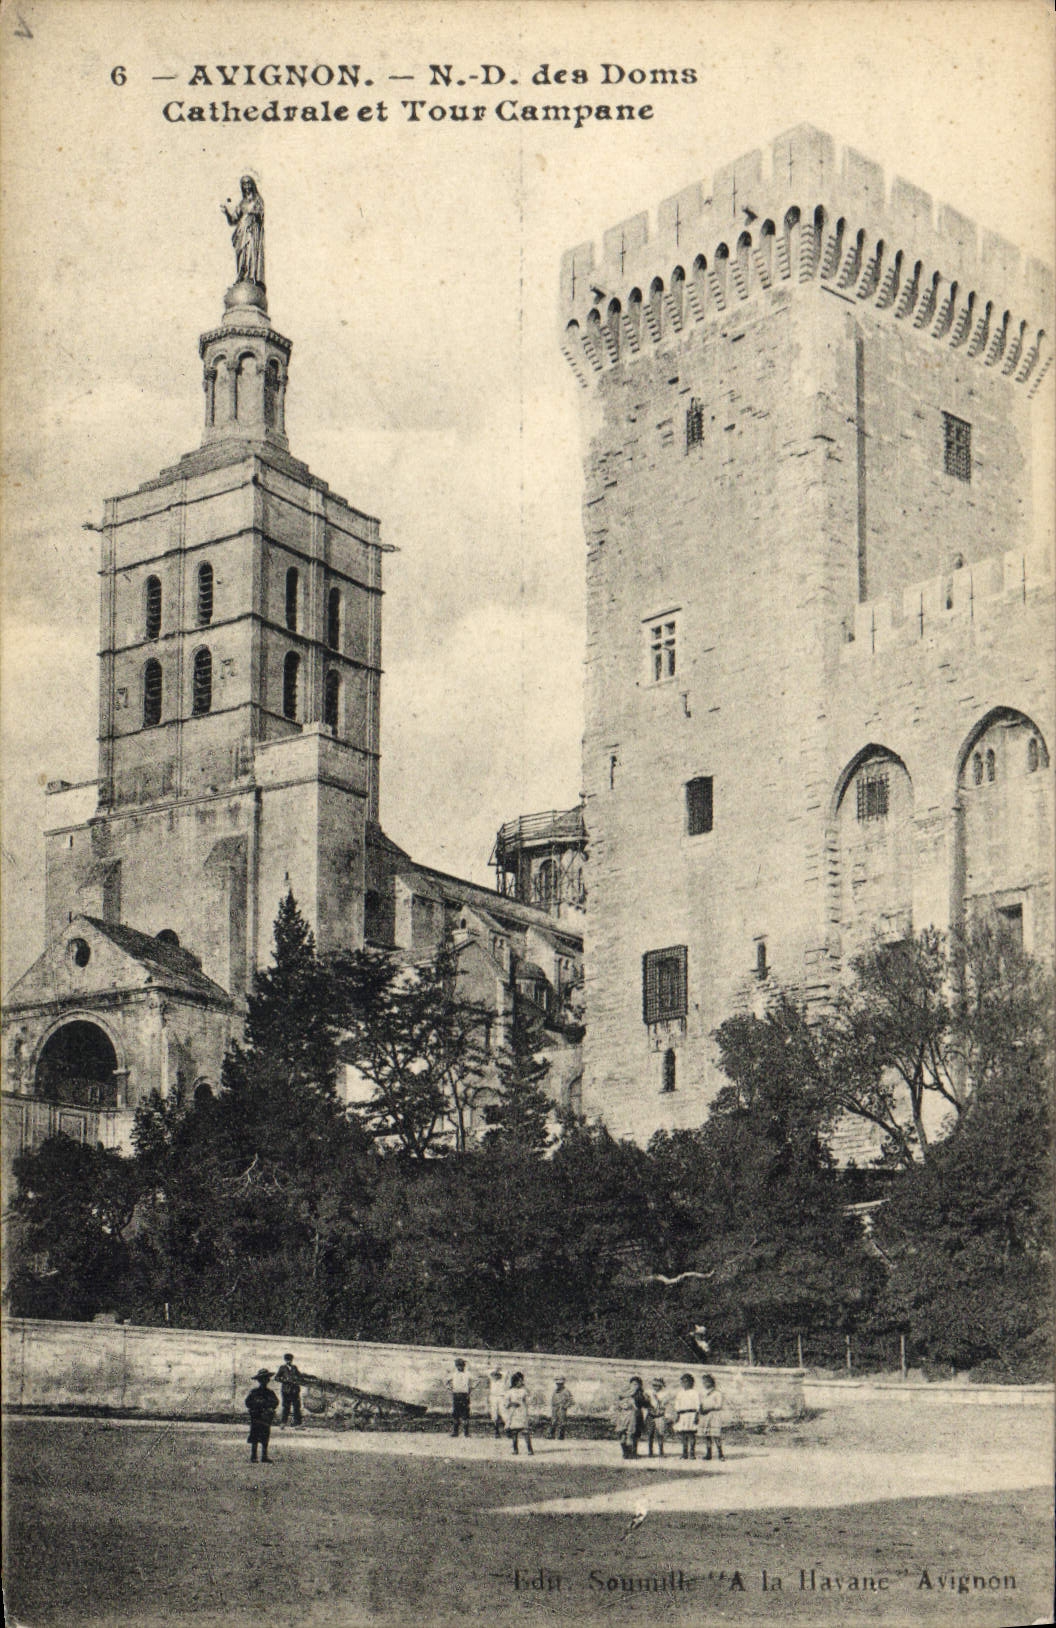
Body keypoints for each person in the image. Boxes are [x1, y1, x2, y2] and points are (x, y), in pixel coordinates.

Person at [222, 175, 265, 285]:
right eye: (244, 184)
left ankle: (250, 276)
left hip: (252, 231)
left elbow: (260, 216)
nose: (246, 186)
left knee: (250, 252)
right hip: (241, 231)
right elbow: (233, 220)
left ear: (252, 185)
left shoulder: (257, 200)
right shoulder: (242, 203)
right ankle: (241, 276)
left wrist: (253, 217)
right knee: (241, 254)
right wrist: (227, 212)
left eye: (248, 183)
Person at [245, 1368, 279, 1463]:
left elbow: (276, 1402)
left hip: (266, 1417)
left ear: (268, 1380)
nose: (264, 1381)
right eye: (262, 1379)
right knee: (255, 1436)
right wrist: (257, 1406)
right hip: (256, 1417)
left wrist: (269, 1407)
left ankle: (264, 1456)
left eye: (266, 1379)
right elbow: (248, 1402)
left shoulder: (270, 1393)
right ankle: (254, 1456)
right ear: (259, 1381)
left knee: (265, 1436)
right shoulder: (254, 1392)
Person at [615, 1375, 646, 1459]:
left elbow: (643, 1403)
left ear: (640, 1385)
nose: (634, 1386)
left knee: (635, 1434)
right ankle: (626, 1453)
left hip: (636, 1415)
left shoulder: (640, 1394)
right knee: (626, 1434)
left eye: (636, 1384)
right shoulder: (629, 1393)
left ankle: (633, 1452)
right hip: (628, 1415)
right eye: (633, 1384)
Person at [503, 1371, 533, 1455]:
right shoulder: (510, 1391)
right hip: (513, 1413)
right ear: (515, 1381)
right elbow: (505, 1403)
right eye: (520, 1381)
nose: (521, 1382)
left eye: (522, 1381)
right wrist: (511, 1403)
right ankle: (515, 1450)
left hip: (522, 1412)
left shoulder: (524, 1391)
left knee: (525, 1431)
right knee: (514, 1432)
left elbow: (529, 1399)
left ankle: (530, 1450)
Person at [699, 1372, 726, 1461]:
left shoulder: (717, 1393)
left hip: (714, 1415)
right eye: (704, 1382)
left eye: (707, 1382)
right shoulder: (702, 1393)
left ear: (712, 1382)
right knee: (707, 1435)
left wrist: (709, 1408)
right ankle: (708, 1453)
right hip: (705, 1415)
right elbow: (700, 1403)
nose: (705, 1384)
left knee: (716, 1435)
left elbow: (719, 1405)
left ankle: (720, 1454)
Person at [674, 1372, 700, 1460]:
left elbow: (697, 1405)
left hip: (691, 1414)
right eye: (683, 1382)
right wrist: (677, 1415)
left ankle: (692, 1453)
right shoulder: (680, 1393)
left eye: (687, 1382)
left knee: (691, 1434)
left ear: (691, 1382)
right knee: (683, 1434)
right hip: (682, 1415)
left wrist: (697, 1416)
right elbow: (677, 1404)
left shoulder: (695, 1393)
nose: (685, 1384)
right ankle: (684, 1453)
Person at [276, 1353, 303, 1427]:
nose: (289, 1361)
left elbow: (300, 1376)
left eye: (290, 1360)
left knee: (297, 1407)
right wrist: (284, 1380)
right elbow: (276, 1378)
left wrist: (298, 1379)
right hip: (286, 1391)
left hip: (295, 1390)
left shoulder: (294, 1367)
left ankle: (297, 1423)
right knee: (286, 1407)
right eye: (287, 1360)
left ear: (292, 1360)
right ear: (285, 1360)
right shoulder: (282, 1368)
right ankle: (283, 1423)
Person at [448, 1357, 473, 1437]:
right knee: (456, 1414)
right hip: (456, 1394)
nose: (460, 1367)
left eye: (462, 1365)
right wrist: (450, 1388)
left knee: (465, 1414)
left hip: (465, 1395)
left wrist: (471, 1388)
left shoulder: (468, 1373)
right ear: (456, 1366)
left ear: (464, 1366)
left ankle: (466, 1432)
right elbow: (446, 1381)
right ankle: (455, 1432)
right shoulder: (453, 1374)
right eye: (458, 1365)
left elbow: (477, 1380)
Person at [645, 1377, 669, 1458]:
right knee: (650, 1434)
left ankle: (661, 1452)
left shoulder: (665, 1394)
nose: (655, 1387)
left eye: (658, 1385)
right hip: (650, 1415)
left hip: (660, 1415)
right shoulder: (648, 1392)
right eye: (654, 1385)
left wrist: (656, 1398)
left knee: (660, 1434)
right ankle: (650, 1452)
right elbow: (646, 1403)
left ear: (661, 1386)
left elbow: (662, 1405)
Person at [487, 1367, 506, 1439]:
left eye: (498, 1375)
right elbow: (489, 1373)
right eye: (495, 1375)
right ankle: (496, 1431)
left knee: (503, 1413)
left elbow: (506, 1373)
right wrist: (495, 1370)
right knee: (494, 1414)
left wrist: (499, 1370)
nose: (496, 1376)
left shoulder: (503, 1380)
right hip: (493, 1397)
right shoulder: (492, 1380)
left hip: (501, 1397)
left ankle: (507, 1430)